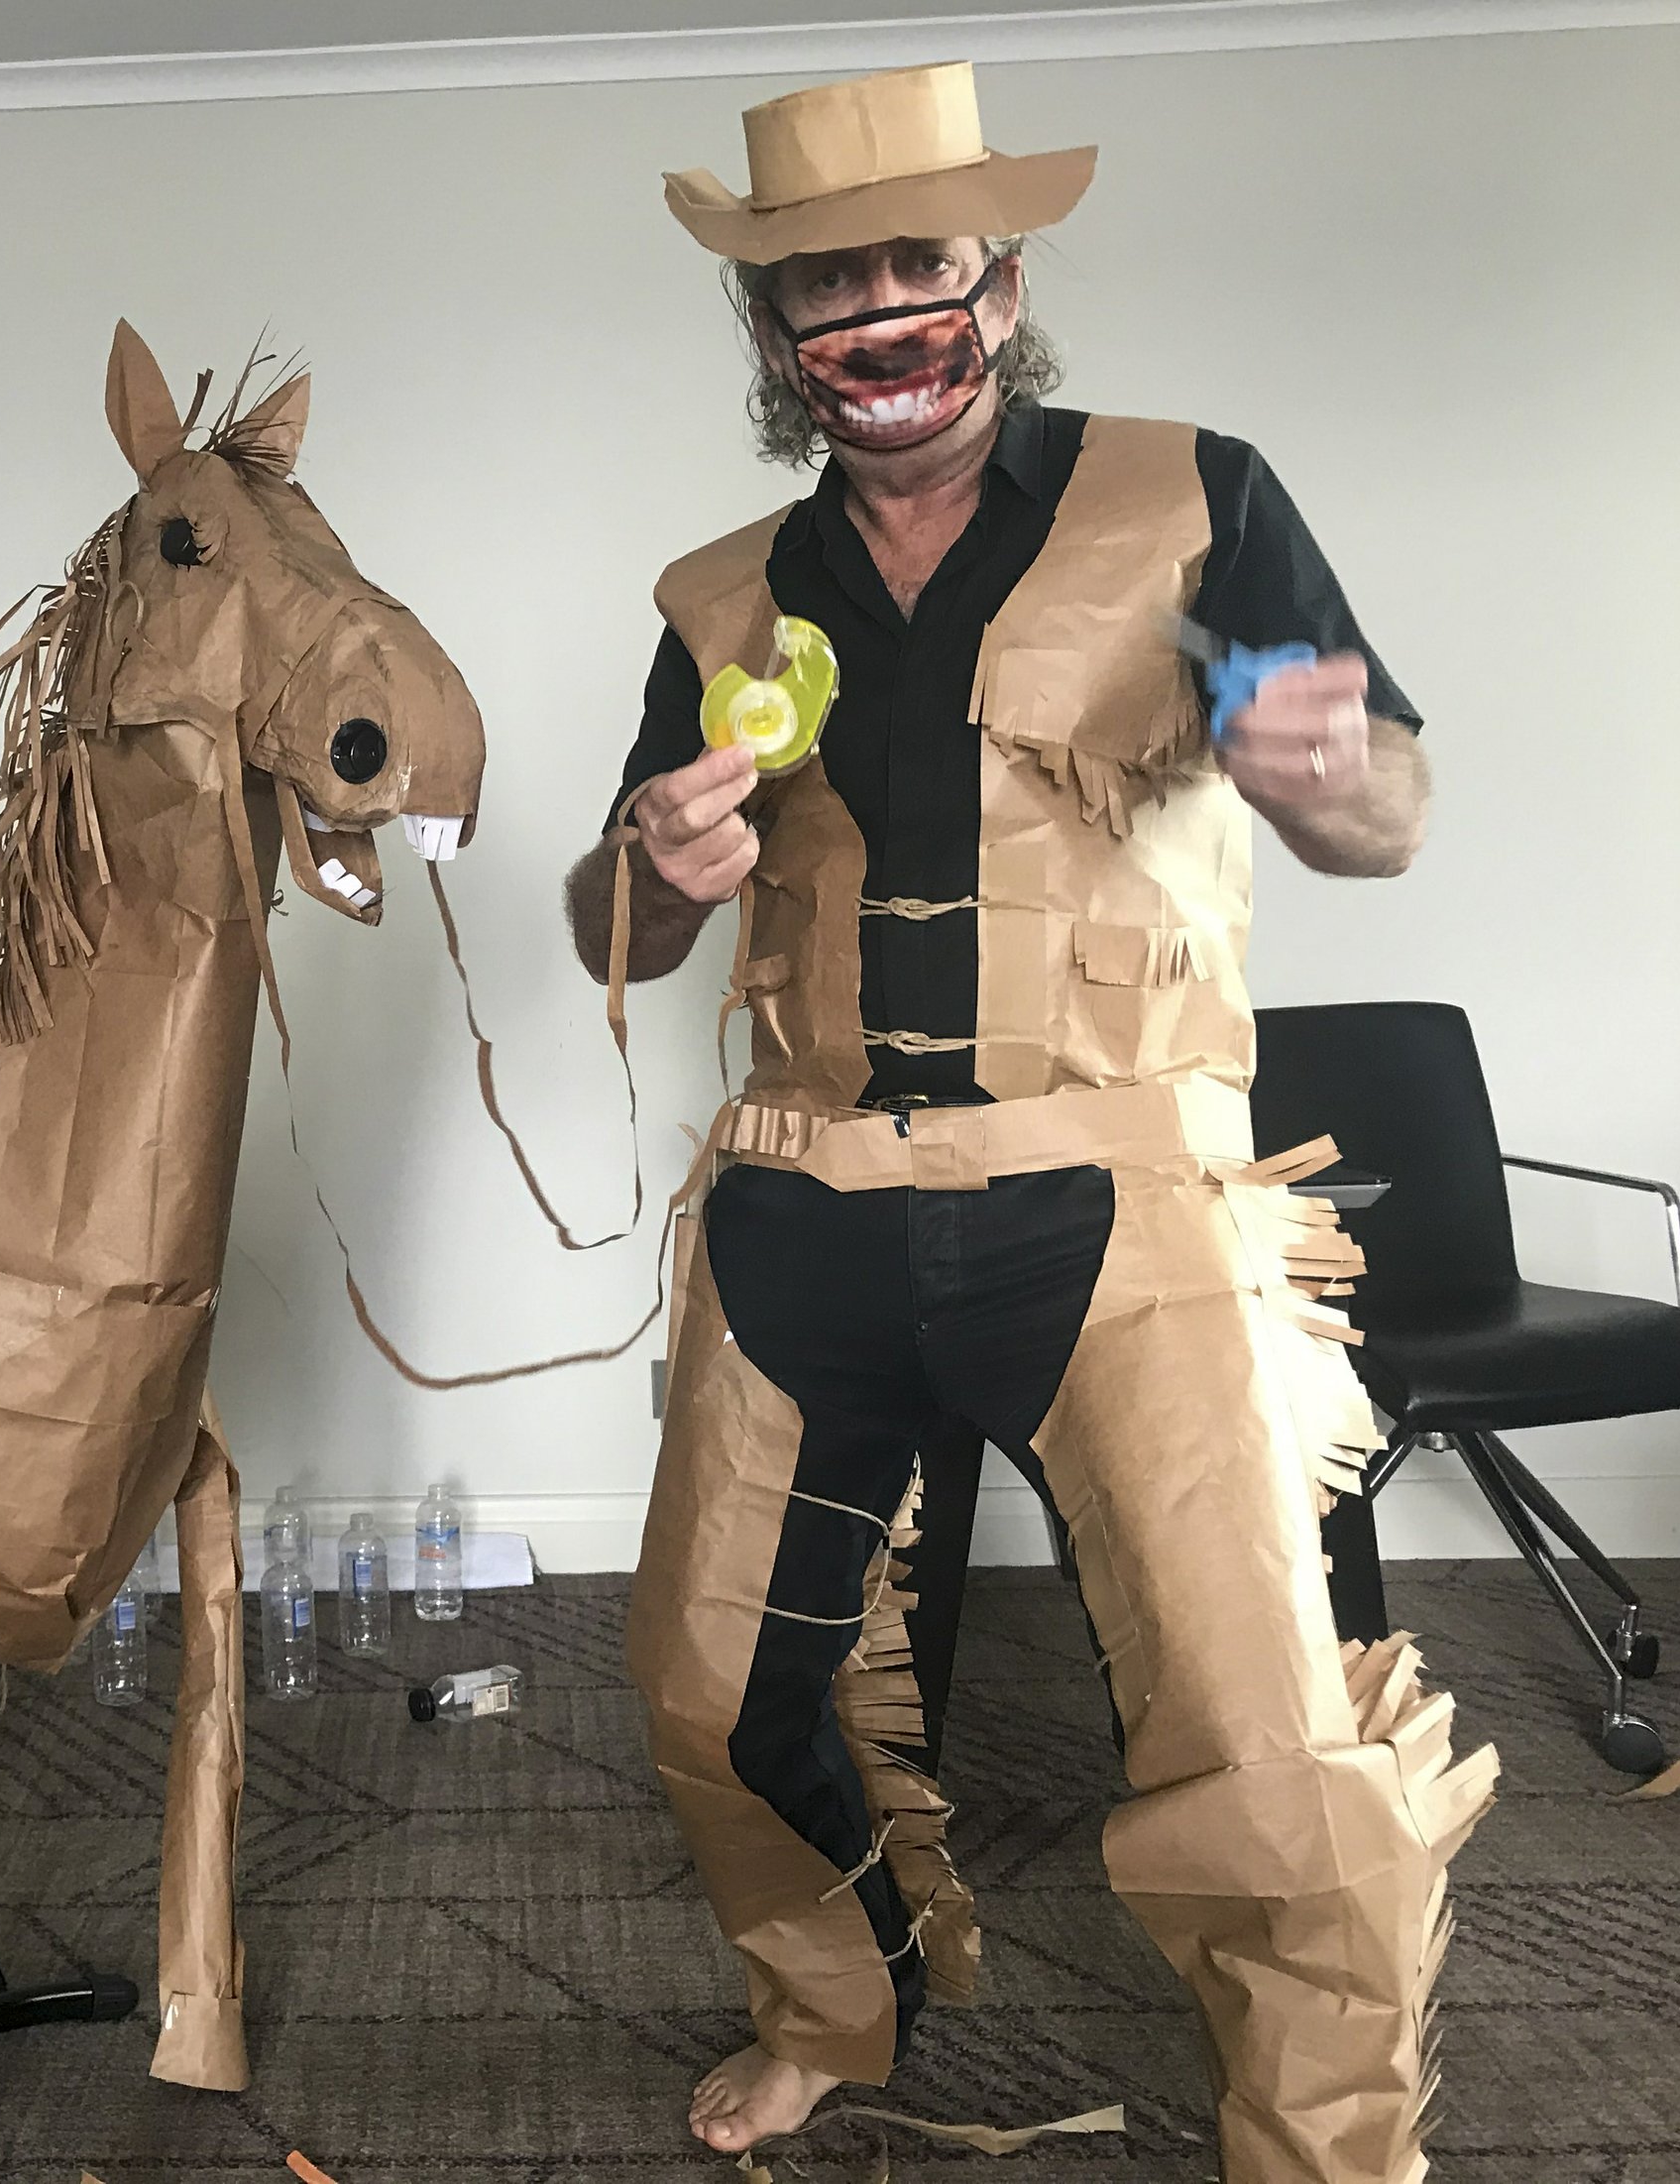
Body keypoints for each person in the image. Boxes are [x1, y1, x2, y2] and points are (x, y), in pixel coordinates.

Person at [570, 61, 1498, 2184]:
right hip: (804, 1209)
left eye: (921, 264)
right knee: (712, 1699)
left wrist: (1318, 761)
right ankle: (835, 1999)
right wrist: (650, 863)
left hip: (1121, 1202)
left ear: (1001, 276)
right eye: (826, 283)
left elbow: (1387, 815)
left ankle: (1325, 2143)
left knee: (1265, 1745)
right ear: (772, 331)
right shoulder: (721, 601)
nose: (882, 318)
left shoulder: (1195, 493)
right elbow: (607, 915)